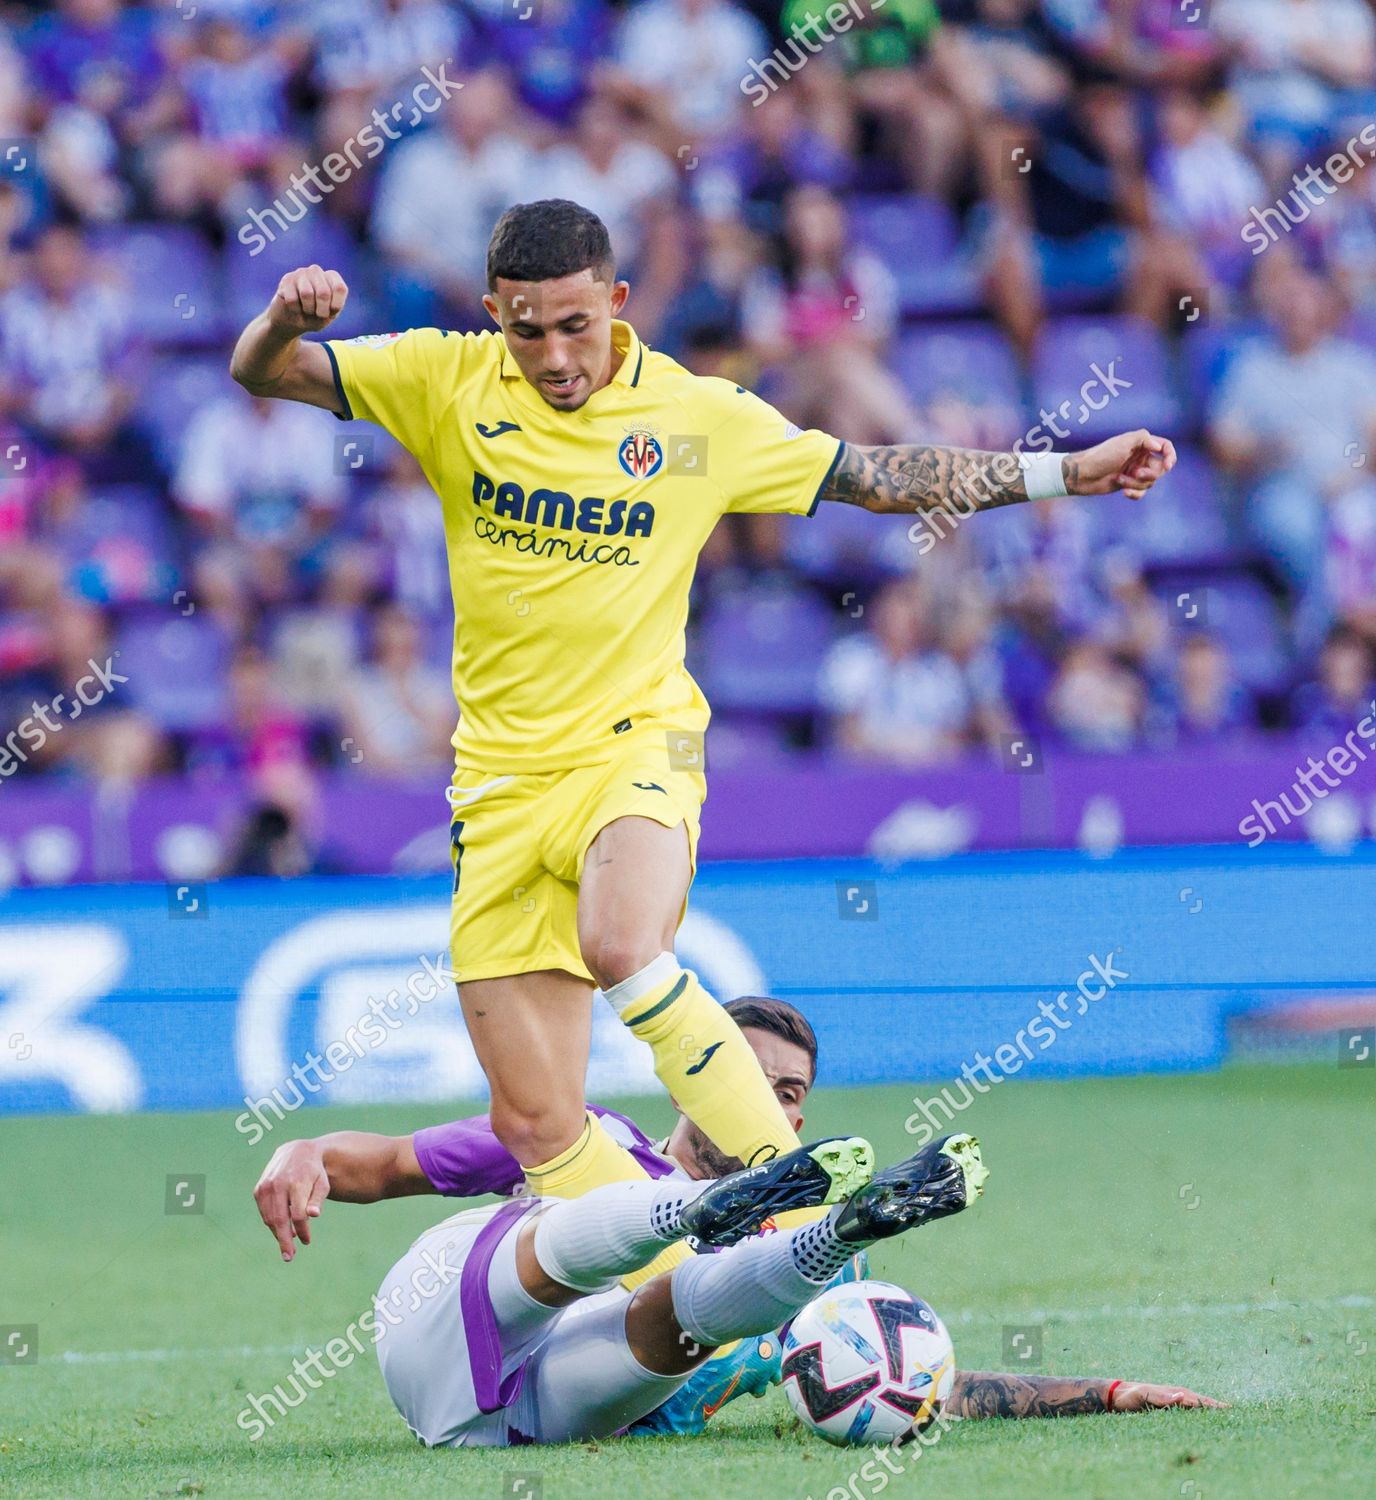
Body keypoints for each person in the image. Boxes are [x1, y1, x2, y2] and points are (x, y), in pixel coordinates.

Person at [228, 196, 1175, 1234]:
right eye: (525, 327)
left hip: (634, 746)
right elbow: (263, 373)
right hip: (496, 788)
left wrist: (1066, 472)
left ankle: (798, 1201)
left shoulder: (697, 419)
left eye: (574, 324)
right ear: (494, 311)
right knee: (537, 1126)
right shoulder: (445, 378)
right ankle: (694, 1284)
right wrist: (284, 319)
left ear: (619, 303)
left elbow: (881, 479)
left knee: (620, 941)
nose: (551, 354)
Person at [252, 998, 1221, 1444]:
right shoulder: (574, 1134)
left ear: (796, 1117)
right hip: (444, 1330)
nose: (763, 1099)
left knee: (684, 1310)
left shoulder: (806, 1284)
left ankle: (833, 1227)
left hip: (547, 1420)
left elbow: (915, 1383)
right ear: (688, 1080)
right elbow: (369, 1166)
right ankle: (689, 1209)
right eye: (736, 1078)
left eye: (784, 1091)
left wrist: (1106, 1391)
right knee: (567, 1228)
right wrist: (299, 1157)